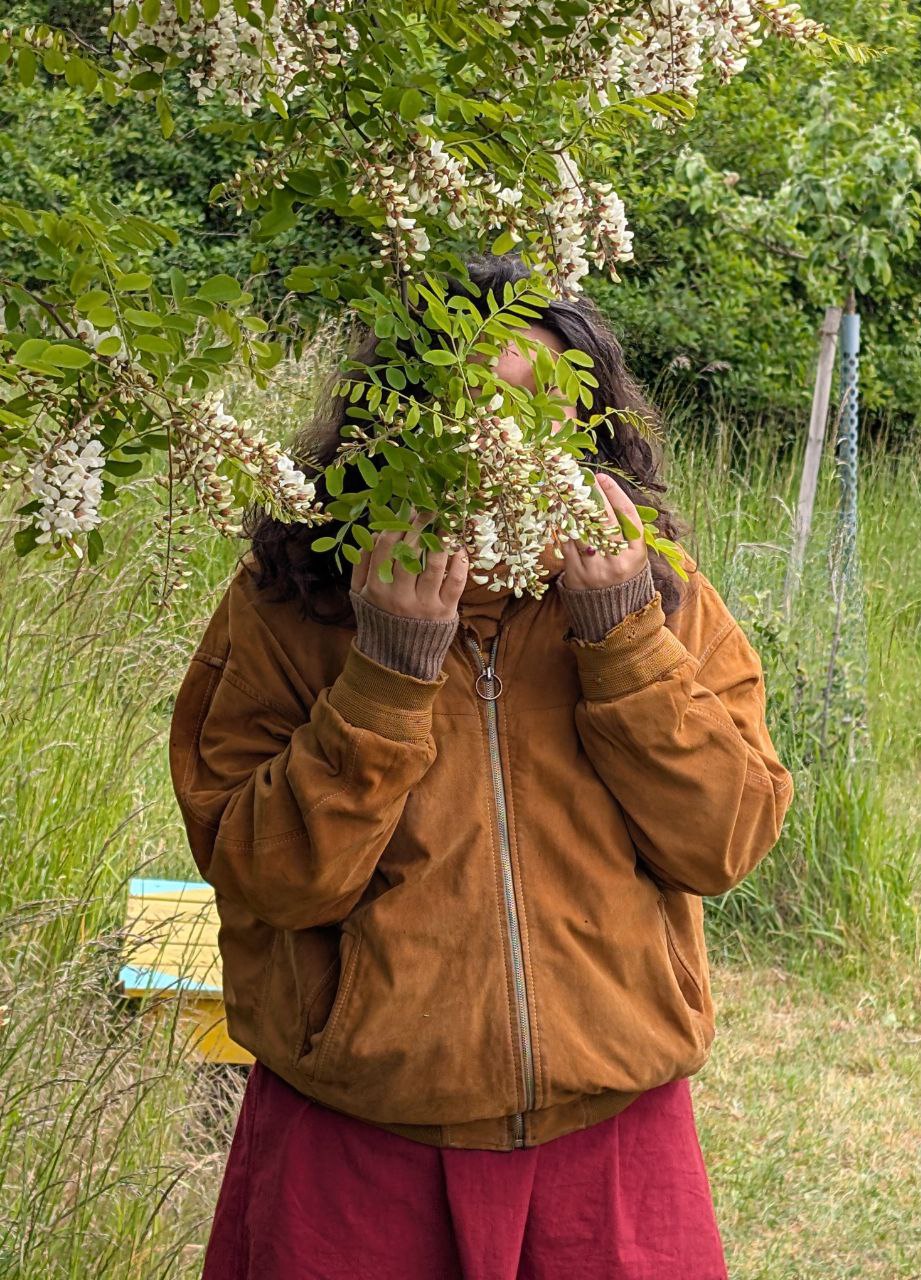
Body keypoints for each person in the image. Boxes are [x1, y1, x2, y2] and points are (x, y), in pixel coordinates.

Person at [168, 253, 794, 1279]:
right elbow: (267, 877)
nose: (509, 444)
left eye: (544, 412)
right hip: (357, 1144)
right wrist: (385, 672)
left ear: (590, 433)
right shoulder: (290, 604)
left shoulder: (659, 594)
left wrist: (620, 636)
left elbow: (723, 842)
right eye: (472, 412)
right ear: (395, 428)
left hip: (611, 1142)